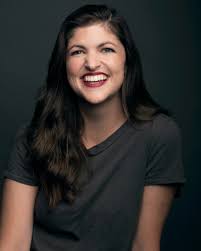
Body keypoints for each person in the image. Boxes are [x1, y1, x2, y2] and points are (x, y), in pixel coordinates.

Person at [0, 4, 186, 251]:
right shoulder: (31, 137)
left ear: (127, 60)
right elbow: (13, 245)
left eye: (106, 49)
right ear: (64, 64)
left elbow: (144, 245)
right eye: (77, 52)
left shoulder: (159, 135)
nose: (91, 63)